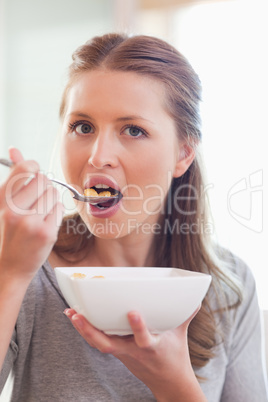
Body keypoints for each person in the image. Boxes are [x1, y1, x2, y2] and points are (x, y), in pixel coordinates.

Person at [0, 33, 267, 402]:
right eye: (83, 126)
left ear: (183, 154)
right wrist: (10, 275)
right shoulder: (24, 267)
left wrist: (175, 388)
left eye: (133, 130)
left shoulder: (230, 286)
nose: (98, 155)